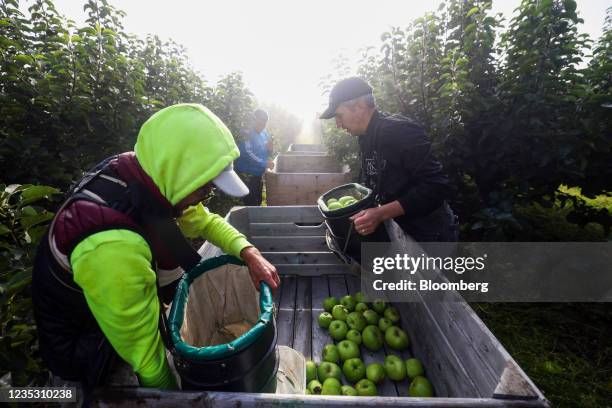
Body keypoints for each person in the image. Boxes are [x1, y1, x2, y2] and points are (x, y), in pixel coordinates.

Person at [31, 104, 281, 396]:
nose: (207, 196)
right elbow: (145, 358)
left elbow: (206, 222)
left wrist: (250, 253)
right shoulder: (113, 245)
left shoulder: (149, 176)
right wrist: (172, 398)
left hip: (116, 318)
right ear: (180, 173)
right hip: (90, 354)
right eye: (204, 188)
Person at [320, 77, 458, 242]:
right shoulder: (366, 138)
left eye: (339, 115)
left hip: (431, 236)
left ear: (359, 106)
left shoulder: (400, 131)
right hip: (401, 231)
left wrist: (380, 213)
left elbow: (436, 187)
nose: (338, 124)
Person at [234, 109, 274, 206]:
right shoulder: (246, 133)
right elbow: (247, 153)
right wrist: (265, 163)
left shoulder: (264, 133)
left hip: (257, 175)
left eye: (265, 120)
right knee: (250, 203)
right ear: (254, 119)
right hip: (247, 175)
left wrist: (270, 149)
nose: (263, 123)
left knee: (258, 200)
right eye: (261, 119)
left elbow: (265, 152)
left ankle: (256, 217)